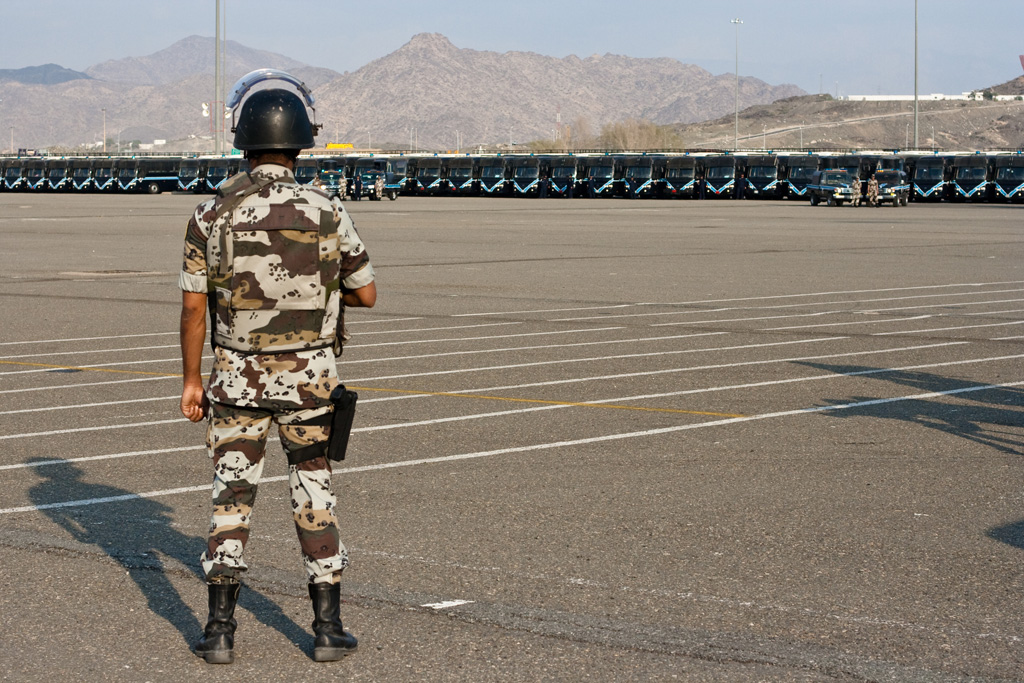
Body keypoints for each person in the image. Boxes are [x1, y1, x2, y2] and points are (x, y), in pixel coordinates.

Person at [179, 70, 376, 665]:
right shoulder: (328, 210)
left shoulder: (210, 215)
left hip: (235, 378)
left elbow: (193, 309)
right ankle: (326, 629)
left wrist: (192, 381)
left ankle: (218, 633)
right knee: (313, 491)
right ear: (299, 143)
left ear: (244, 141)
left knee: (230, 498)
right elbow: (367, 294)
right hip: (310, 381)